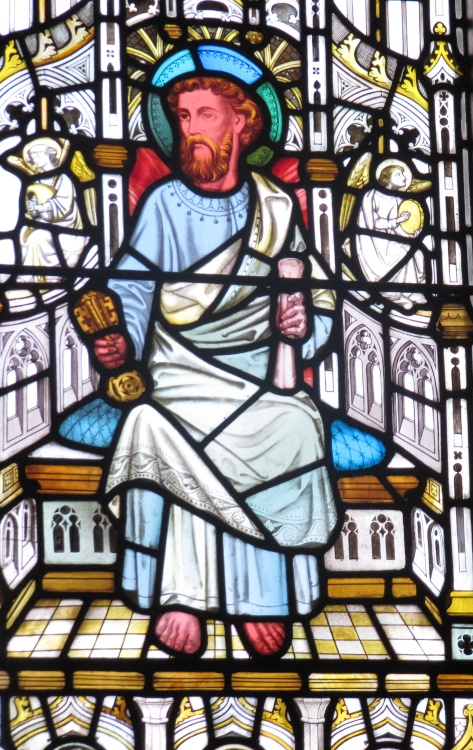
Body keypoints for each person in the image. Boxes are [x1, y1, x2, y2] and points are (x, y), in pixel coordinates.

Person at [92, 73, 338, 657]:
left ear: (242, 123)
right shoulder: (163, 204)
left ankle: (262, 597)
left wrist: (303, 325)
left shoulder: (275, 207)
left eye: (205, 115)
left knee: (298, 422)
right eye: (182, 117)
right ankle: (182, 594)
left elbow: (320, 300)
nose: (191, 130)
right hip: (178, 368)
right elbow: (131, 288)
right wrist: (122, 343)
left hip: (258, 371)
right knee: (170, 426)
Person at [356, 160, 427, 309]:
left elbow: (398, 228)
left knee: (417, 252)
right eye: (398, 174)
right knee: (402, 251)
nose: (404, 178)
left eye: (403, 174)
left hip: (389, 239)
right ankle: (393, 292)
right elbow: (372, 225)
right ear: (387, 178)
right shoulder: (371, 196)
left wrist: (411, 236)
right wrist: (396, 221)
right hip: (373, 242)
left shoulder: (397, 199)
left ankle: (412, 290)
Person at [19, 138, 87, 280]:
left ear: (49, 154)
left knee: (37, 237)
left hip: (67, 227)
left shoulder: (63, 178)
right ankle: (32, 277)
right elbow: (33, 204)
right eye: (32, 157)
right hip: (44, 224)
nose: (34, 159)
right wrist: (33, 209)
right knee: (25, 235)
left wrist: (40, 208)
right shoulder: (37, 179)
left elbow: (63, 205)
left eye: (37, 155)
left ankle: (46, 277)